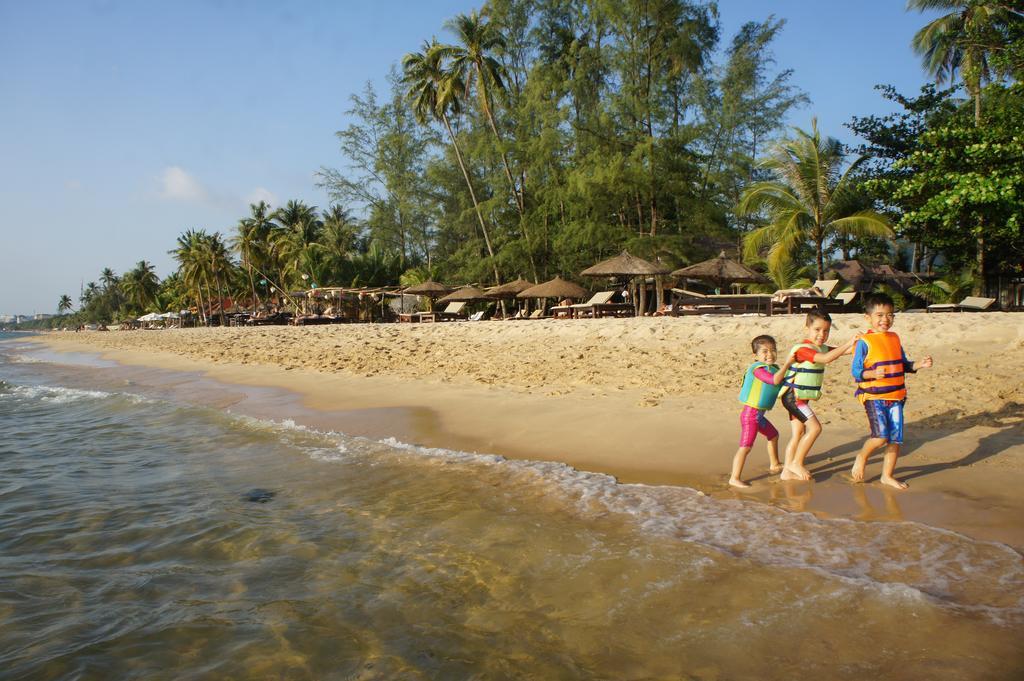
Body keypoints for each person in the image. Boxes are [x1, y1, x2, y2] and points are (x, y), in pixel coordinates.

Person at [849, 293, 933, 489]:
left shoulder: (894, 338)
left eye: (889, 315)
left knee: (895, 439)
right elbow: (856, 371)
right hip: (874, 397)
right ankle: (862, 456)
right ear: (867, 317)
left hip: (896, 397)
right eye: (879, 315)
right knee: (880, 437)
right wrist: (872, 374)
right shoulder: (864, 342)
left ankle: (887, 476)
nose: (885, 319)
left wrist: (919, 364)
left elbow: (903, 364)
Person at [778, 309, 860, 481]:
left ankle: (787, 471)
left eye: (826, 331)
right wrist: (848, 342)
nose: (822, 334)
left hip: (800, 397)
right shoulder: (802, 350)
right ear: (806, 327)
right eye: (817, 329)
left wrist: (863, 341)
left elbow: (845, 351)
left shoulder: (820, 347)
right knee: (815, 428)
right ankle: (796, 463)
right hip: (793, 398)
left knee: (798, 433)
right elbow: (826, 359)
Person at [729, 335, 795, 488]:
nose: (770, 354)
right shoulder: (757, 369)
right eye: (764, 351)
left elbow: (783, 381)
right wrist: (787, 364)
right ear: (756, 356)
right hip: (750, 416)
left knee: (773, 435)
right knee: (745, 447)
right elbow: (773, 381)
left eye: (773, 350)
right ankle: (734, 477)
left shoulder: (774, 369)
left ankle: (774, 464)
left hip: (759, 417)